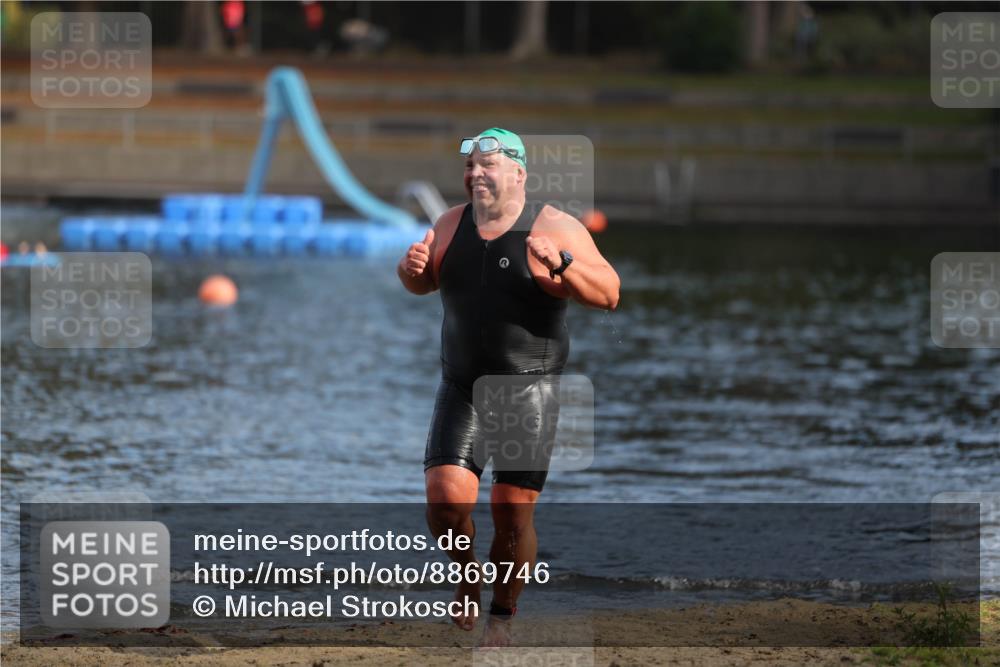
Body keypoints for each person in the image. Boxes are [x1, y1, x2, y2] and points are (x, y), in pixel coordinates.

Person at [397, 128, 620, 647]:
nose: (476, 174)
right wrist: (409, 271)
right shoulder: (450, 223)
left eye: (488, 165)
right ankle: (466, 575)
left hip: (529, 390)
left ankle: (502, 614)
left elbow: (609, 293)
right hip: (462, 384)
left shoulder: (554, 226)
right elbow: (423, 281)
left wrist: (561, 262)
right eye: (470, 166)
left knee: (510, 514)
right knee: (444, 501)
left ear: (518, 173)